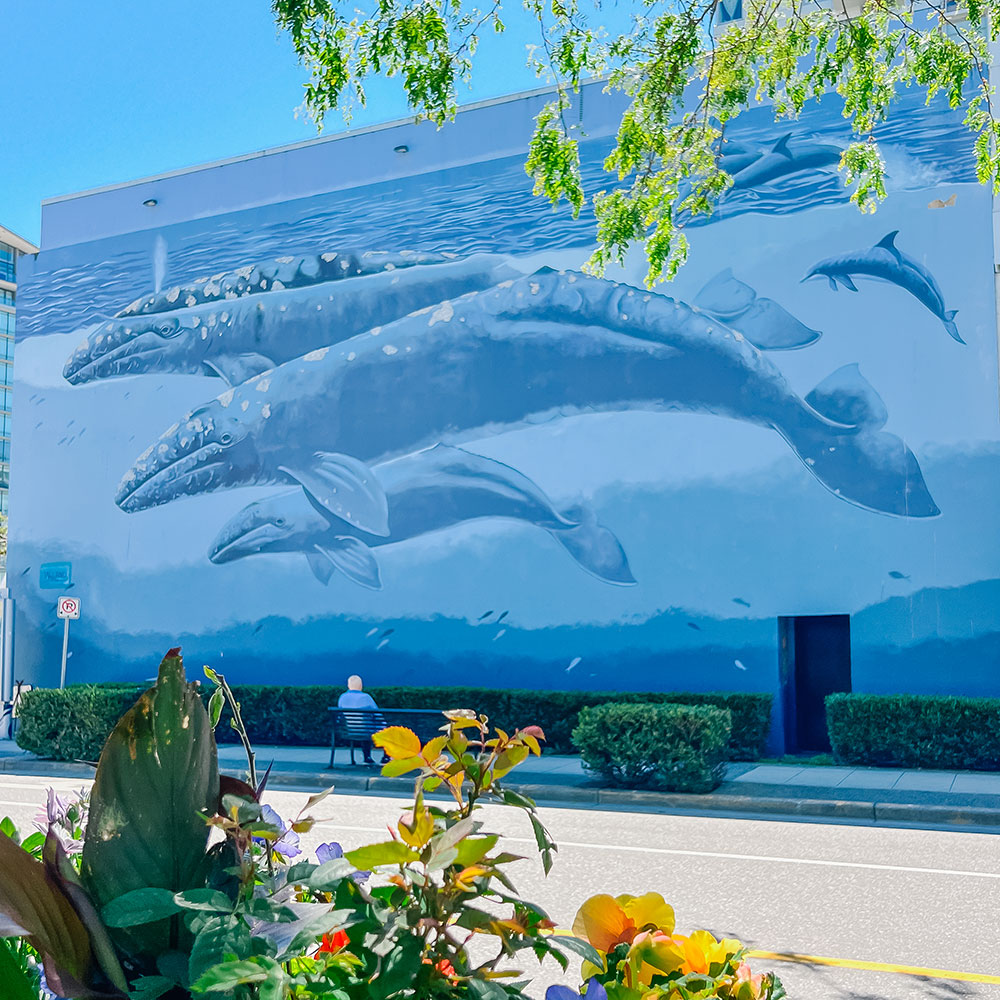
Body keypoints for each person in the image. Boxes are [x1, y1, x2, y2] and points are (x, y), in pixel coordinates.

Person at [336, 675, 387, 764]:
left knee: (365, 727)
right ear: (361, 686)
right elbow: (377, 715)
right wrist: (384, 724)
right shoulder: (366, 697)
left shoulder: (342, 697)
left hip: (349, 731)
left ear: (348, 685)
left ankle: (367, 758)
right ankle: (386, 758)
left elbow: (340, 717)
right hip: (366, 730)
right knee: (381, 729)